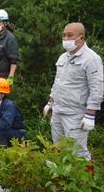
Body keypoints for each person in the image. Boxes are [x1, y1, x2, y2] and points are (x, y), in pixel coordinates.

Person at [43, 22, 103, 160]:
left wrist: (90, 114)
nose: (65, 38)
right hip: (58, 110)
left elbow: (97, 88)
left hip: (76, 114)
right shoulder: (63, 57)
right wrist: (50, 102)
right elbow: (58, 83)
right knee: (58, 148)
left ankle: (85, 180)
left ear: (81, 37)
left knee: (78, 152)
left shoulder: (91, 59)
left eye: (70, 35)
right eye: (64, 35)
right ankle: (61, 178)